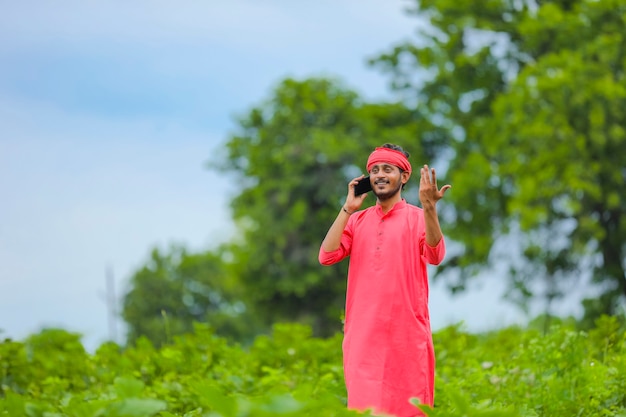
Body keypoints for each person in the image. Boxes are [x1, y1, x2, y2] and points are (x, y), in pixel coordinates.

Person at [318, 144, 451, 417]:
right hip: (363, 340)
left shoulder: (417, 218)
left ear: (403, 177)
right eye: (374, 170)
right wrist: (347, 208)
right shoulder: (357, 220)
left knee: (410, 410)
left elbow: (436, 254)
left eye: (387, 169)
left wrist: (429, 208)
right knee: (365, 411)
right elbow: (327, 255)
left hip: (406, 339)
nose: (380, 175)